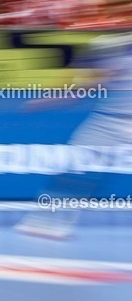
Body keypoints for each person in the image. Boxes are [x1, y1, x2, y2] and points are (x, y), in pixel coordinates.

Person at [16, 33, 132, 239]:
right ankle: (44, 223)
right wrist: (51, 100)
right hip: (108, 123)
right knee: (74, 169)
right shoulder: (111, 45)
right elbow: (92, 84)